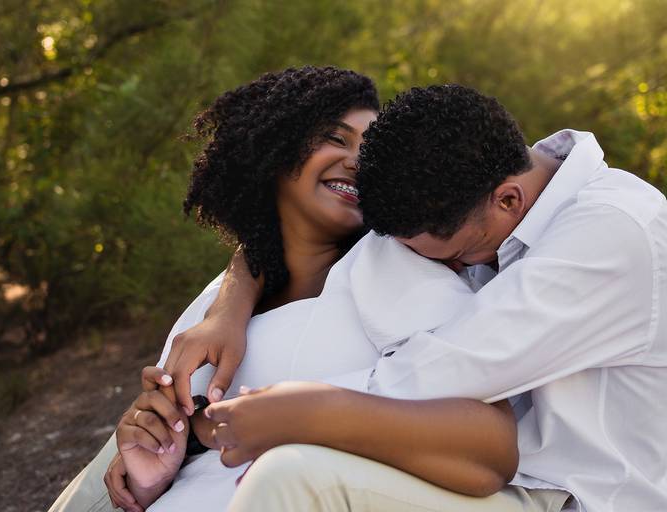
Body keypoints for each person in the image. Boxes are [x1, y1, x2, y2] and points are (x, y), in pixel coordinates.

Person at [47, 70, 519, 512]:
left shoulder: (391, 266)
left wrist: (307, 418)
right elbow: (199, 458)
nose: (358, 161)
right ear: (274, 147)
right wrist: (155, 471)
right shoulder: (216, 302)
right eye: (336, 138)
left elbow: (490, 445)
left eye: (373, 151)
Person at [194, 85, 666, 512]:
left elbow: (445, 370)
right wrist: (233, 299)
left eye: (460, 255)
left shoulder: (612, 232)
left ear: (508, 201)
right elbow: (299, 235)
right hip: (492, 477)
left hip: (575, 497)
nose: (454, 272)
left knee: (297, 481)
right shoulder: (472, 179)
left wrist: (283, 408)